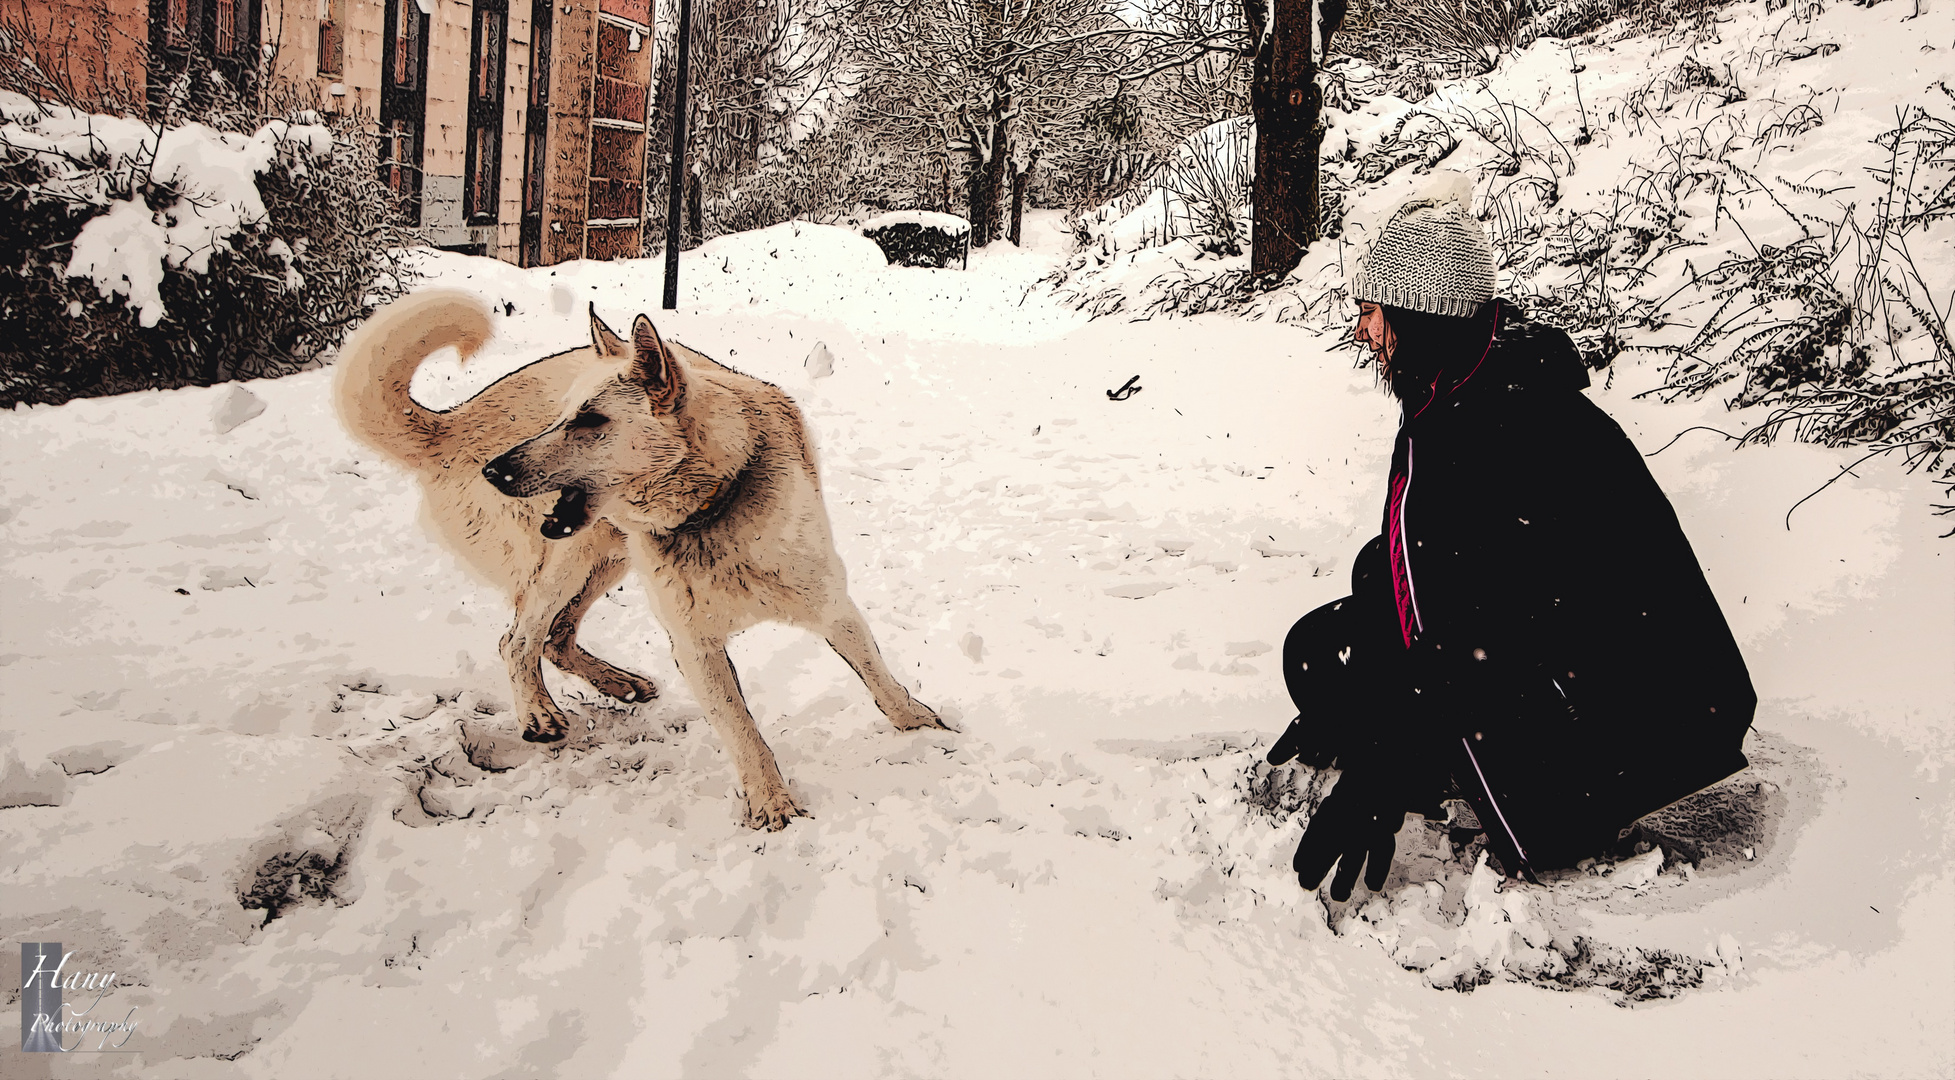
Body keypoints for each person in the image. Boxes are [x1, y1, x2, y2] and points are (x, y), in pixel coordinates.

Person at [1269, 188, 1756, 900]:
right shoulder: (1462, 388)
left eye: (1370, 312)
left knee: (1460, 719)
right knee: (1327, 645)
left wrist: (1382, 767)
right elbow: (1424, 573)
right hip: (1578, 666)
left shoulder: (1506, 425)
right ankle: (1450, 747)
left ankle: (1554, 805)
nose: (1361, 332)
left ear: (1417, 313)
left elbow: (1490, 632)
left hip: (1644, 719)